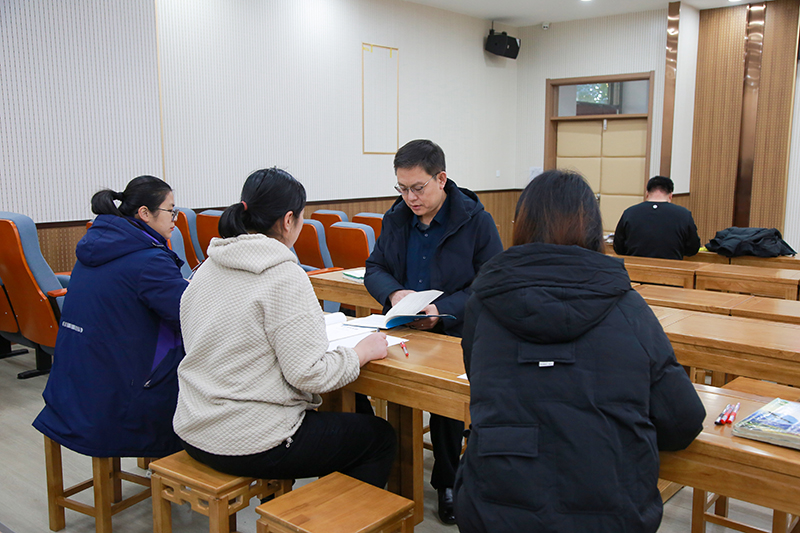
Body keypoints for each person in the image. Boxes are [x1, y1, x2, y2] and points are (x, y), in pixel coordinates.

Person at [454, 170, 706, 533]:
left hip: (494, 508)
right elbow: (682, 421)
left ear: (520, 227)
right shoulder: (628, 309)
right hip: (611, 512)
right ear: (593, 231)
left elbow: (481, 383)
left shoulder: (483, 305)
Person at [173, 168, 396, 488]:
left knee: (351, 417)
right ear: (288, 220)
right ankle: (329, 514)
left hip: (194, 426)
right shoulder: (284, 276)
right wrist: (361, 353)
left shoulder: (207, 266)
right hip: (250, 440)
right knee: (379, 437)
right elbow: (310, 375)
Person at [364, 139, 503, 524]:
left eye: (418, 188)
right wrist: (395, 293)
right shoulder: (396, 218)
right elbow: (375, 267)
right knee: (360, 377)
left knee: (445, 405)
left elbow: (490, 282)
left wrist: (442, 311)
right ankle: (384, 468)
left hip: (453, 331)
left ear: (441, 179)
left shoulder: (475, 221)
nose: (410, 198)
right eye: (402, 188)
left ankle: (447, 481)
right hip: (402, 328)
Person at [33, 176, 189, 458]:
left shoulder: (93, 248)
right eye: (171, 210)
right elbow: (188, 316)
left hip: (72, 391)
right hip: (117, 405)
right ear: (145, 213)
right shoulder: (150, 260)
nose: (174, 219)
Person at [613, 175, 701, 260]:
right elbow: (693, 248)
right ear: (670, 196)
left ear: (647, 194)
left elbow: (618, 247)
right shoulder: (684, 214)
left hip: (634, 267)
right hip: (671, 268)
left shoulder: (629, 213)